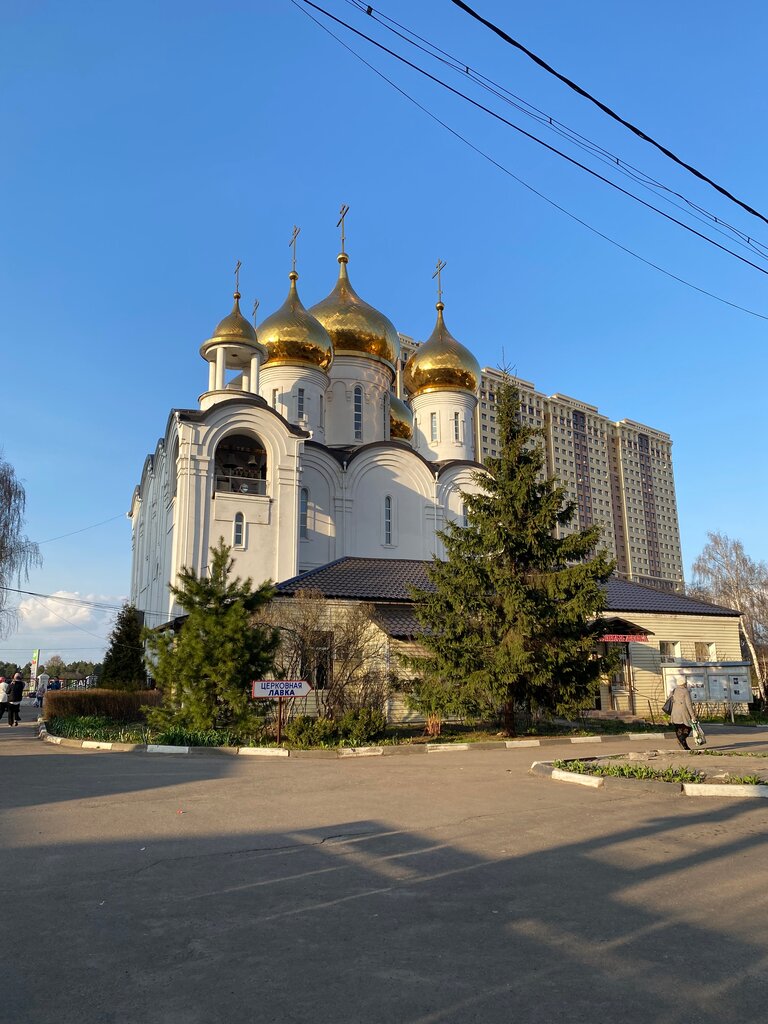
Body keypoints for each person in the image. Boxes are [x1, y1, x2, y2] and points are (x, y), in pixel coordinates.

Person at [670, 680, 697, 750]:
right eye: (685, 683)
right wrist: (693, 716)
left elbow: (669, 700)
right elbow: (689, 705)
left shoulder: (673, 690)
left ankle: (685, 747)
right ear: (684, 683)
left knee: (678, 728)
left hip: (674, 713)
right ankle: (681, 739)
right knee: (689, 727)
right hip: (683, 714)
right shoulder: (685, 691)